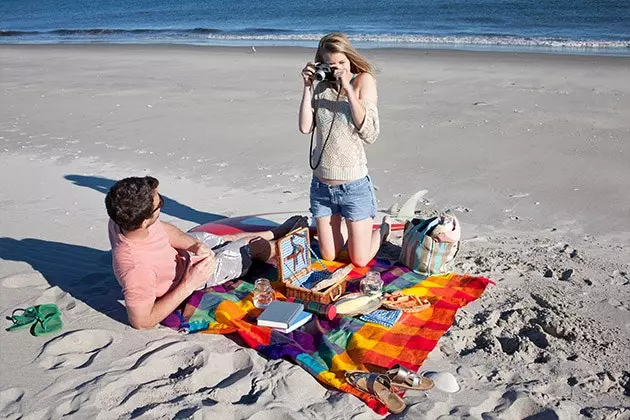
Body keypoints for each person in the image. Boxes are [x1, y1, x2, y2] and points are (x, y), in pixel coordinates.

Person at [105, 176, 307, 329]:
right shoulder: (136, 269)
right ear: (144, 221)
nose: (162, 206)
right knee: (251, 248)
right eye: (160, 204)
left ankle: (274, 232)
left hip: (181, 253)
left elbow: (163, 230)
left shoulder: (121, 219)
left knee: (225, 240)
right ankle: (278, 244)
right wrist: (190, 283)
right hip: (192, 274)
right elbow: (141, 321)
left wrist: (194, 245)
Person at [298, 32, 390, 267]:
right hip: (321, 187)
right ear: (322, 64)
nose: (337, 69)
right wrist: (307, 87)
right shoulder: (320, 88)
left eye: (342, 63)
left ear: (350, 58)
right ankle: (355, 230)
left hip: (353, 187)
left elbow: (369, 133)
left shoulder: (363, 81)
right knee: (329, 255)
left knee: (358, 260)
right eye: (331, 65)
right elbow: (305, 127)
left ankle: (384, 228)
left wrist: (348, 90)